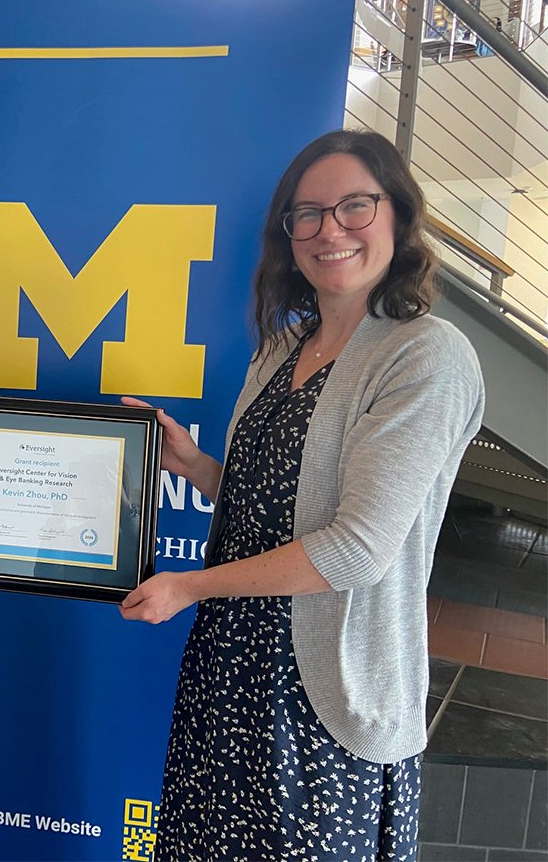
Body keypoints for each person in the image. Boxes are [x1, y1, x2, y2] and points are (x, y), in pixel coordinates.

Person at [121, 129, 484, 859]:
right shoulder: (283, 345)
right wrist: (198, 469)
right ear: (287, 235)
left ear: (398, 215)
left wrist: (190, 585)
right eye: (307, 214)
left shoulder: (425, 354)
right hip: (229, 672)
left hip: (326, 697)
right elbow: (277, 508)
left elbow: (357, 550)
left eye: (355, 206)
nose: (330, 230)